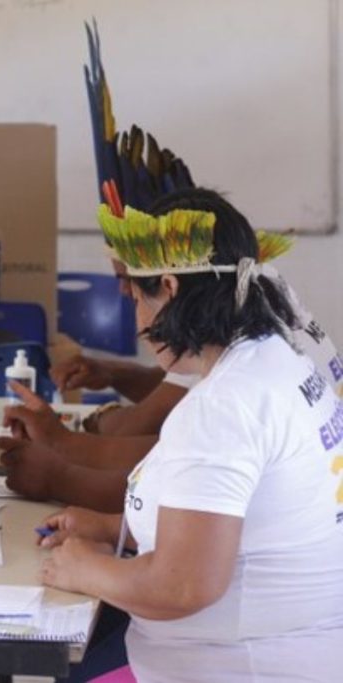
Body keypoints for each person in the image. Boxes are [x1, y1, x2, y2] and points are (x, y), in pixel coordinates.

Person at [33, 189, 343, 681]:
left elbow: (181, 586)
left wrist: (82, 569)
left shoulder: (225, 405)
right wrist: (114, 529)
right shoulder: (277, 361)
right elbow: (233, 518)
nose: (137, 322)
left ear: (171, 289)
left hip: (237, 666)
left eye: (138, 296)